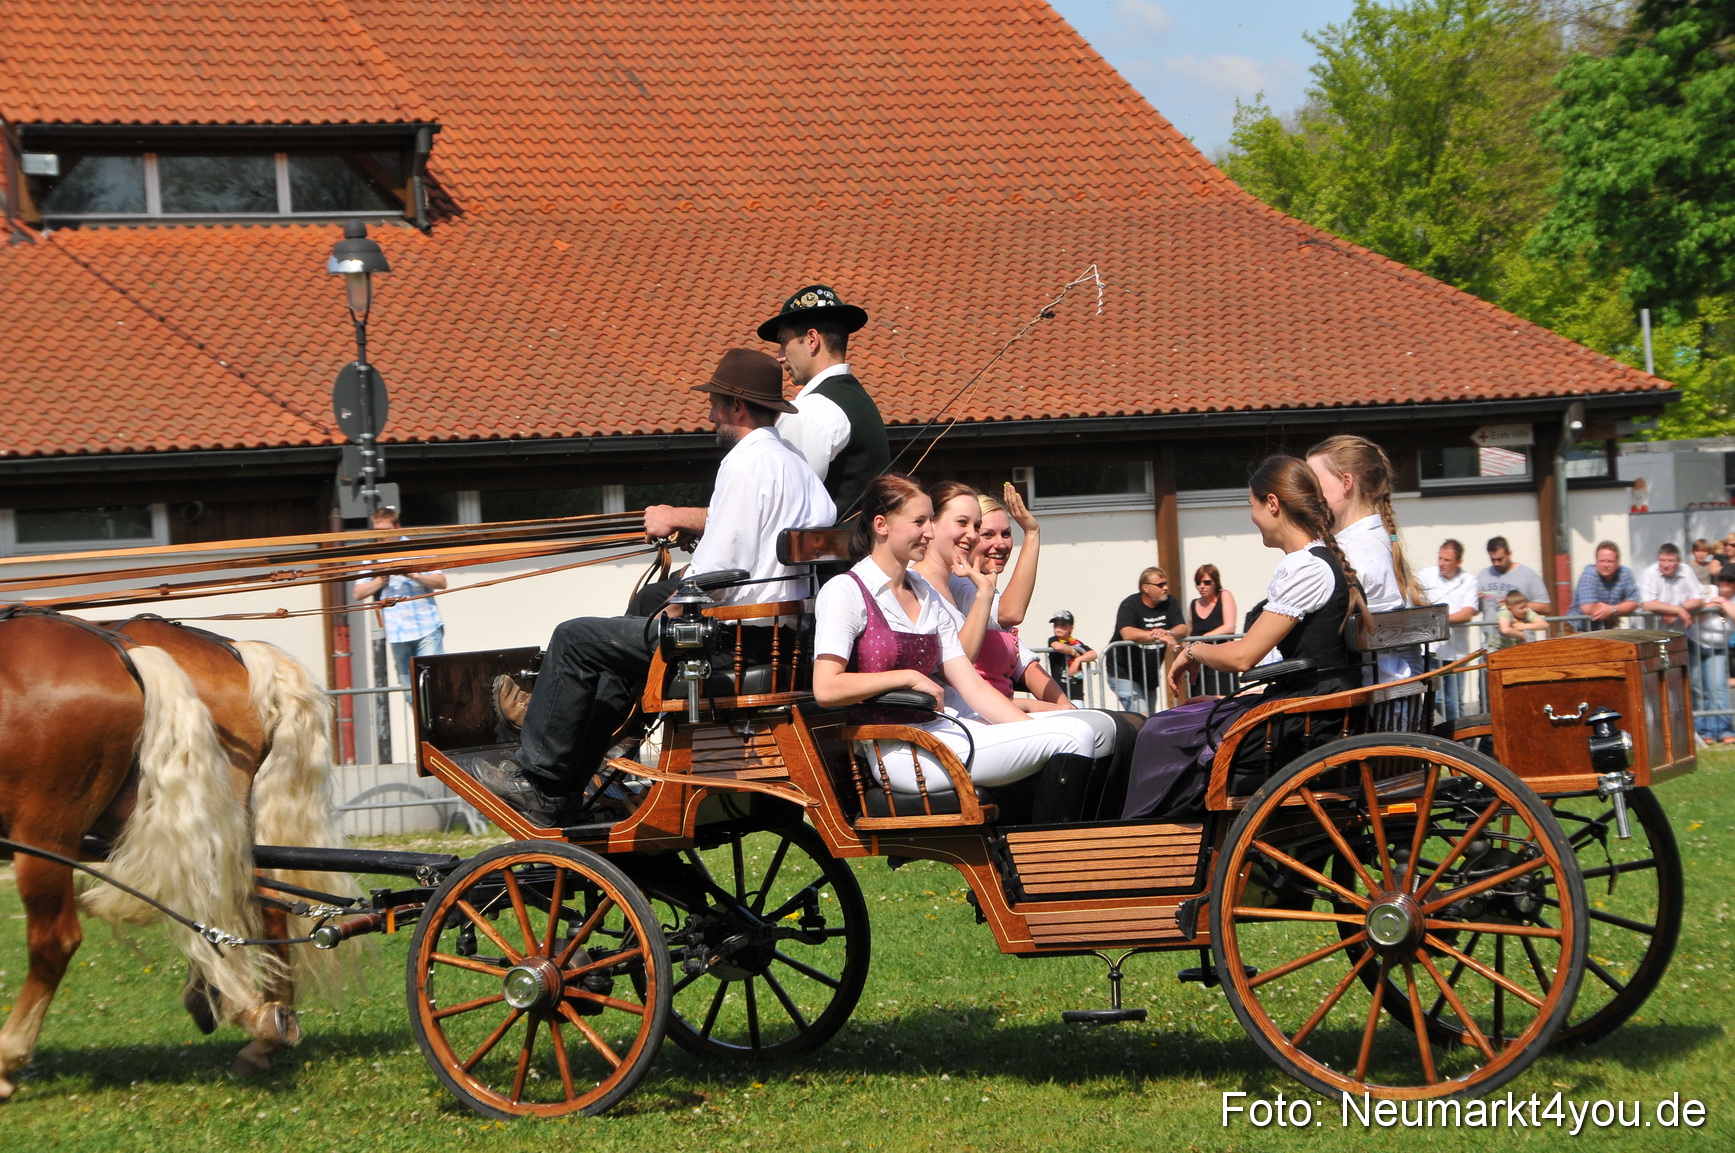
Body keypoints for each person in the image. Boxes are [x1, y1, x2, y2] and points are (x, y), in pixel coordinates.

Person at [482, 349, 836, 825]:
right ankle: (571, 756)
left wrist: (675, 606)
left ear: (737, 407)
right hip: (781, 638)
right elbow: (784, 536)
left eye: (715, 404)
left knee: (574, 637)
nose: (710, 415)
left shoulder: (745, 464)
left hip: (728, 639)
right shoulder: (795, 464)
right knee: (628, 632)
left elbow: (720, 572)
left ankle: (544, 779)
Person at [811, 475, 1100, 822]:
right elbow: (826, 688)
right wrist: (907, 677)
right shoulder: (846, 591)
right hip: (899, 751)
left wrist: (1025, 726)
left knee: (1095, 729)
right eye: (919, 522)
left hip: (945, 731)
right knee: (1076, 737)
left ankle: (1048, 849)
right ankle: (1048, 859)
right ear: (881, 525)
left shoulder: (925, 592)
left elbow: (973, 686)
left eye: (930, 521)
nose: (929, 533)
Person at [1120, 456, 1365, 819]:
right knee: (1187, 714)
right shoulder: (1323, 560)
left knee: (1160, 729)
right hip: (1313, 707)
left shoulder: (1305, 567)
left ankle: (1152, 838)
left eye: (1251, 505)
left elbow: (1243, 658)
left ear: (1273, 504)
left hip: (1308, 720)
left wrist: (1195, 650)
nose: (1251, 518)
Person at [758, 284, 889, 518]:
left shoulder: (812, 410)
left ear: (811, 340)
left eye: (783, 342)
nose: (779, 356)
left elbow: (778, 506)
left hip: (832, 553)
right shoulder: (856, 399)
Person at [1306, 434, 1425, 681]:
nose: (1309, 494)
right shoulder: (1376, 540)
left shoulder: (1357, 550)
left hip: (1359, 701)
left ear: (1345, 482)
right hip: (1382, 696)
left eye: (1315, 483)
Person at [352, 506, 447, 683]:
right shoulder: (372, 556)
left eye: (385, 530)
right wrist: (380, 580)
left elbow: (441, 582)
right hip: (397, 632)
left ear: (397, 527)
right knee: (409, 689)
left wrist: (413, 574)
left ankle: (437, 712)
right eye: (376, 531)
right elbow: (358, 593)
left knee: (433, 682)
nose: (381, 535)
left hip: (427, 627)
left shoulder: (416, 549)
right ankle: (417, 711)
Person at [1106, 567, 1189, 713]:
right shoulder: (1130, 604)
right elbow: (1127, 633)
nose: (1166, 588)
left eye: (1166, 584)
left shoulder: (1170, 602)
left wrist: (1168, 632)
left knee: (1149, 719)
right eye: (1160, 585)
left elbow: (1183, 628)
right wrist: (1158, 636)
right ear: (1146, 587)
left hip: (1148, 675)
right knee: (1142, 716)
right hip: (1124, 673)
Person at [1418, 538, 1480, 721]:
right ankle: (1455, 739)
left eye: (1447, 560)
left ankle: (1465, 741)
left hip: (1456, 653)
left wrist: (1436, 620)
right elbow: (1416, 601)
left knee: (1453, 701)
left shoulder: (1469, 580)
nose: (1441, 564)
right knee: (1435, 697)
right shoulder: (1426, 575)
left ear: (1459, 562)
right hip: (1430, 650)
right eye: (1440, 559)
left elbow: (1467, 613)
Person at [970, 484, 1042, 630]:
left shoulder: (979, 580)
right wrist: (1031, 533)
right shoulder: (958, 582)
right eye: (987, 535)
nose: (1001, 544)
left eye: (1006, 534)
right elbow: (1010, 613)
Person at [1694, 570, 1735, 743]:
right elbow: (1699, 615)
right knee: (1698, 688)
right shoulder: (1708, 590)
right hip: (1695, 643)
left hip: (1717, 649)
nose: (1724, 583)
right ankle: (1705, 732)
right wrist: (1712, 602)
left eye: (1730, 580)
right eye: (1722, 579)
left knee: (1718, 687)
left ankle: (1724, 730)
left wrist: (1723, 603)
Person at [1479, 536, 1553, 620]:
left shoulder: (1528, 575)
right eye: (1493, 559)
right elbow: (1475, 609)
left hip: (1520, 631)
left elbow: (1546, 607)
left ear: (1509, 554)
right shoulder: (1483, 575)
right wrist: (1477, 600)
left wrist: (1514, 605)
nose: (1496, 563)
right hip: (1491, 632)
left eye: (1500, 559)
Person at [1574, 541, 1639, 629]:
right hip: (1578, 630)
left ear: (1617, 563)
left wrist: (1611, 609)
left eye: (1610, 561)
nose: (1605, 565)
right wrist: (1615, 610)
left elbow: (1634, 602)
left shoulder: (1625, 573)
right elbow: (1588, 608)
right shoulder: (1589, 574)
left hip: (1607, 629)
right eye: (1601, 561)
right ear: (1596, 562)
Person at [1638, 543, 1702, 631]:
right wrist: (1678, 610)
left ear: (1679, 561)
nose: (1666, 565)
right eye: (1662, 560)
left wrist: (1679, 609)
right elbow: (1648, 604)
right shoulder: (1649, 573)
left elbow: (1698, 599)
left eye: (1671, 561)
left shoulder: (1686, 570)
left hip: (1677, 632)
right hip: (1650, 633)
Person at [1045, 611, 1096, 702]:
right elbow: (1059, 646)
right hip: (1059, 694)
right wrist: (1075, 653)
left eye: (1063, 625)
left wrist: (1078, 660)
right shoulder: (1053, 640)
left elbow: (1093, 654)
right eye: (1056, 625)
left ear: (1071, 628)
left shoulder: (1077, 644)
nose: (1059, 628)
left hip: (1076, 693)